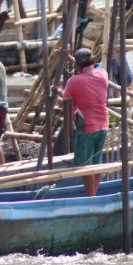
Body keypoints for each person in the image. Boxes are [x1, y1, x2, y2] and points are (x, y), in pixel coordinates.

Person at [53, 47, 109, 197]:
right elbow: (87, 68)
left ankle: (91, 198)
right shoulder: (103, 74)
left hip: (87, 126)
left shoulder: (74, 81)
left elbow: (65, 97)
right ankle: (93, 196)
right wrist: (70, 57)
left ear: (77, 66)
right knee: (96, 164)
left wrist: (57, 90)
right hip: (103, 123)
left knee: (85, 165)